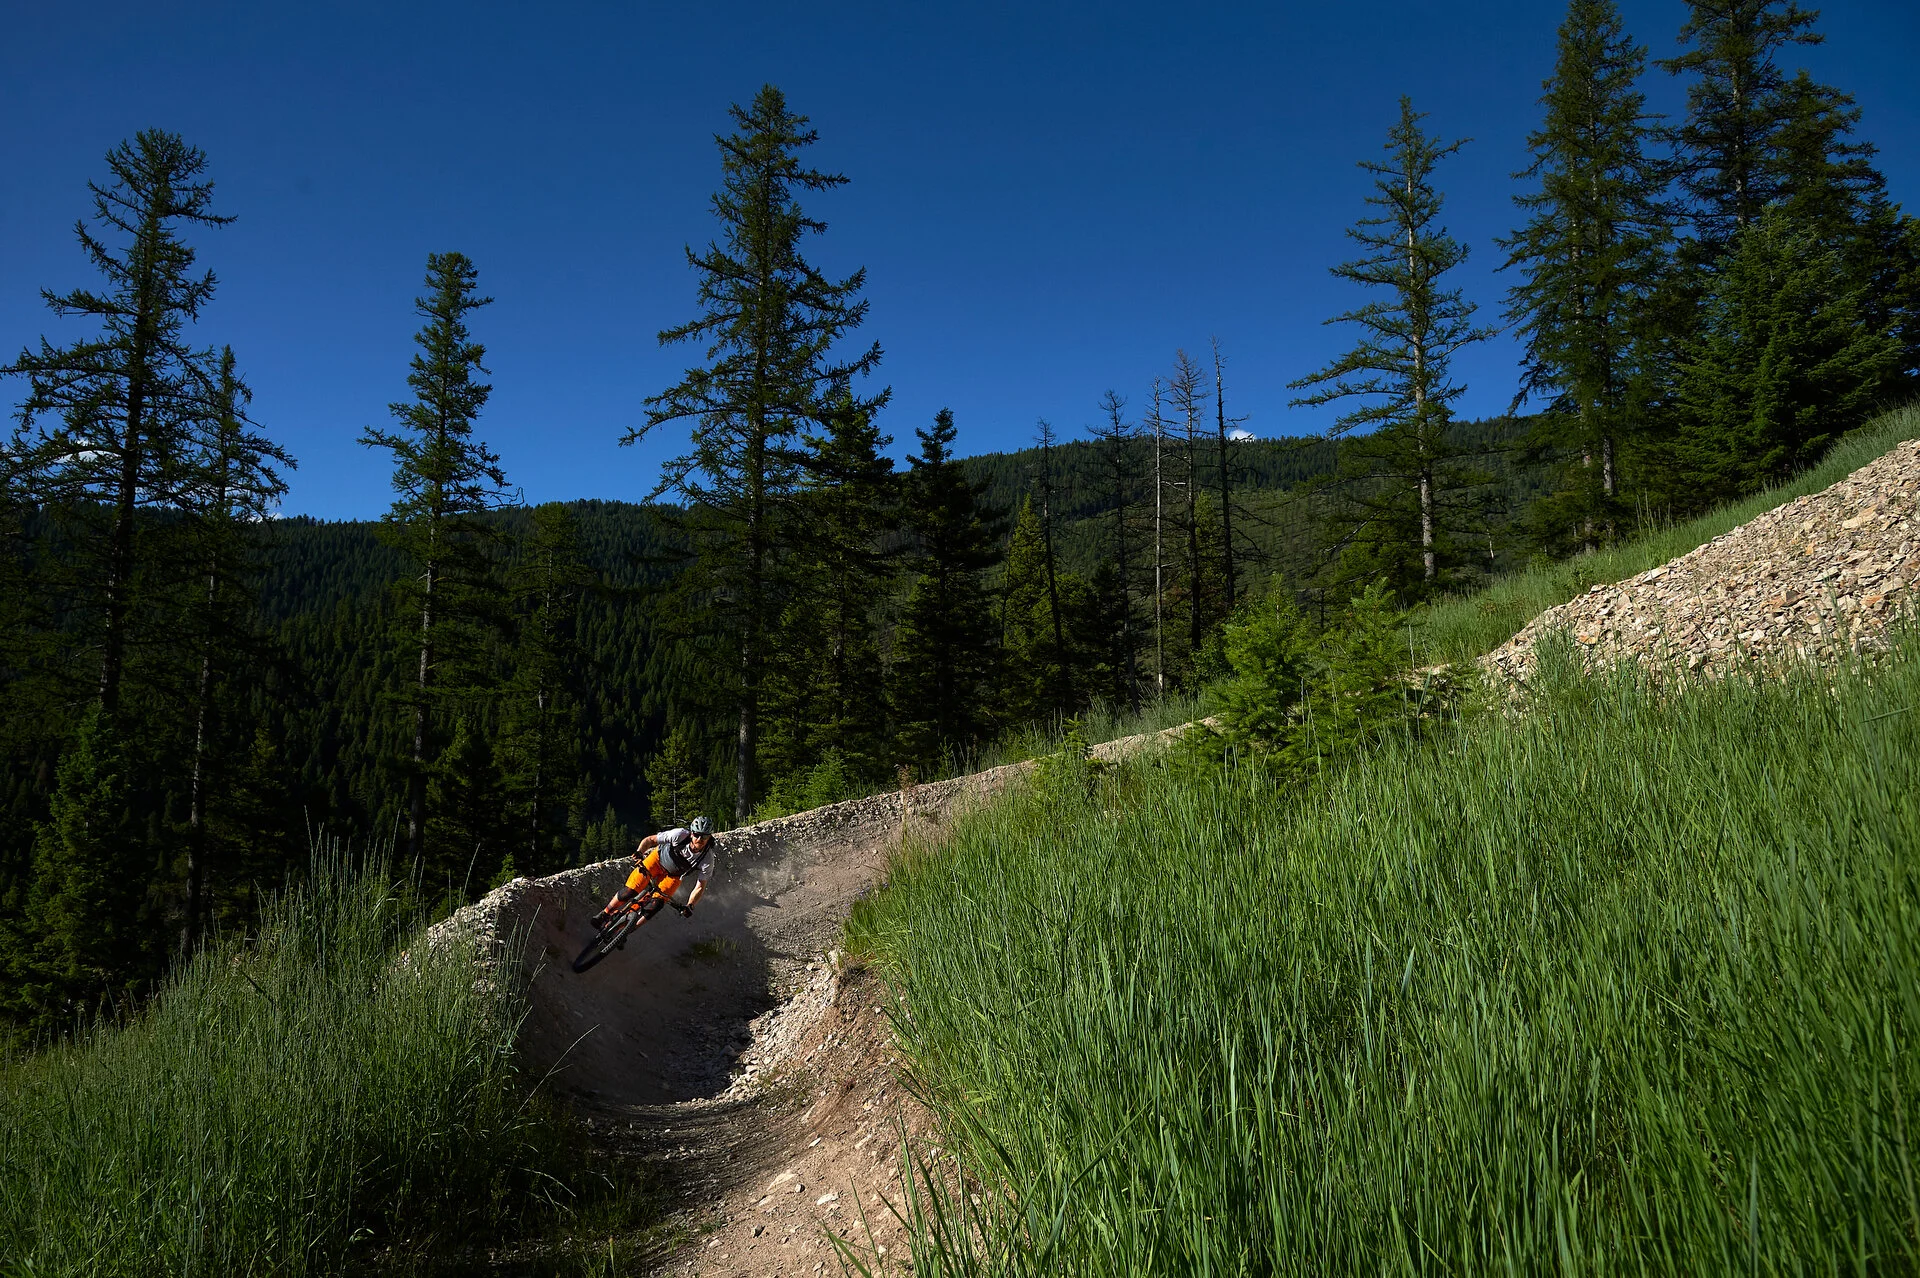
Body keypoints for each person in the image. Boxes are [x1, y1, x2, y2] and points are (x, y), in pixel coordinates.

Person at [589, 815, 717, 930]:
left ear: (709, 836)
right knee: (630, 891)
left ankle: (626, 931)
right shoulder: (680, 835)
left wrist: (690, 905)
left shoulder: (707, 858)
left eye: (704, 836)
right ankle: (604, 914)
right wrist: (640, 852)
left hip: (673, 876)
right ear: (691, 833)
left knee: (655, 905)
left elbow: (700, 886)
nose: (699, 839)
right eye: (696, 834)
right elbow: (650, 840)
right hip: (657, 859)